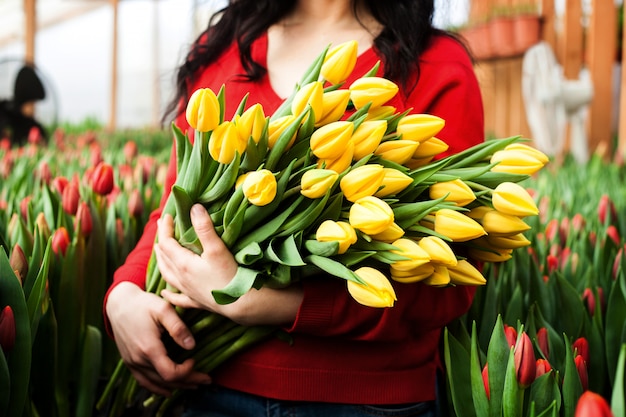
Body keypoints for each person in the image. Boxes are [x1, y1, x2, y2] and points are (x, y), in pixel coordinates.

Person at [104, 0, 485, 416]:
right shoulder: (223, 53)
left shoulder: (436, 64)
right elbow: (176, 214)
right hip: (207, 387)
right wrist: (124, 294)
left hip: (365, 400)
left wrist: (274, 303)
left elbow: (450, 279)